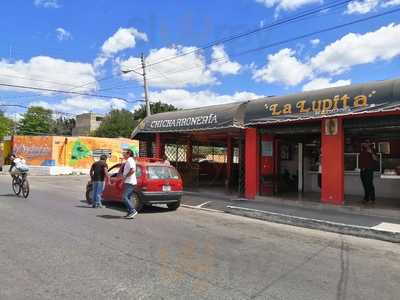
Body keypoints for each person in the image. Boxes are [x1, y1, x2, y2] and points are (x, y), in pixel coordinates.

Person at [122, 149, 138, 219]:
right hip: (129, 181)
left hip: (130, 181)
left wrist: (125, 176)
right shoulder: (130, 160)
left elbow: (132, 170)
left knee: (124, 197)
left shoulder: (130, 160)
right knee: (127, 197)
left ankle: (132, 210)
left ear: (128, 154)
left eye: (125, 153)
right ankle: (129, 212)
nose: (123, 154)